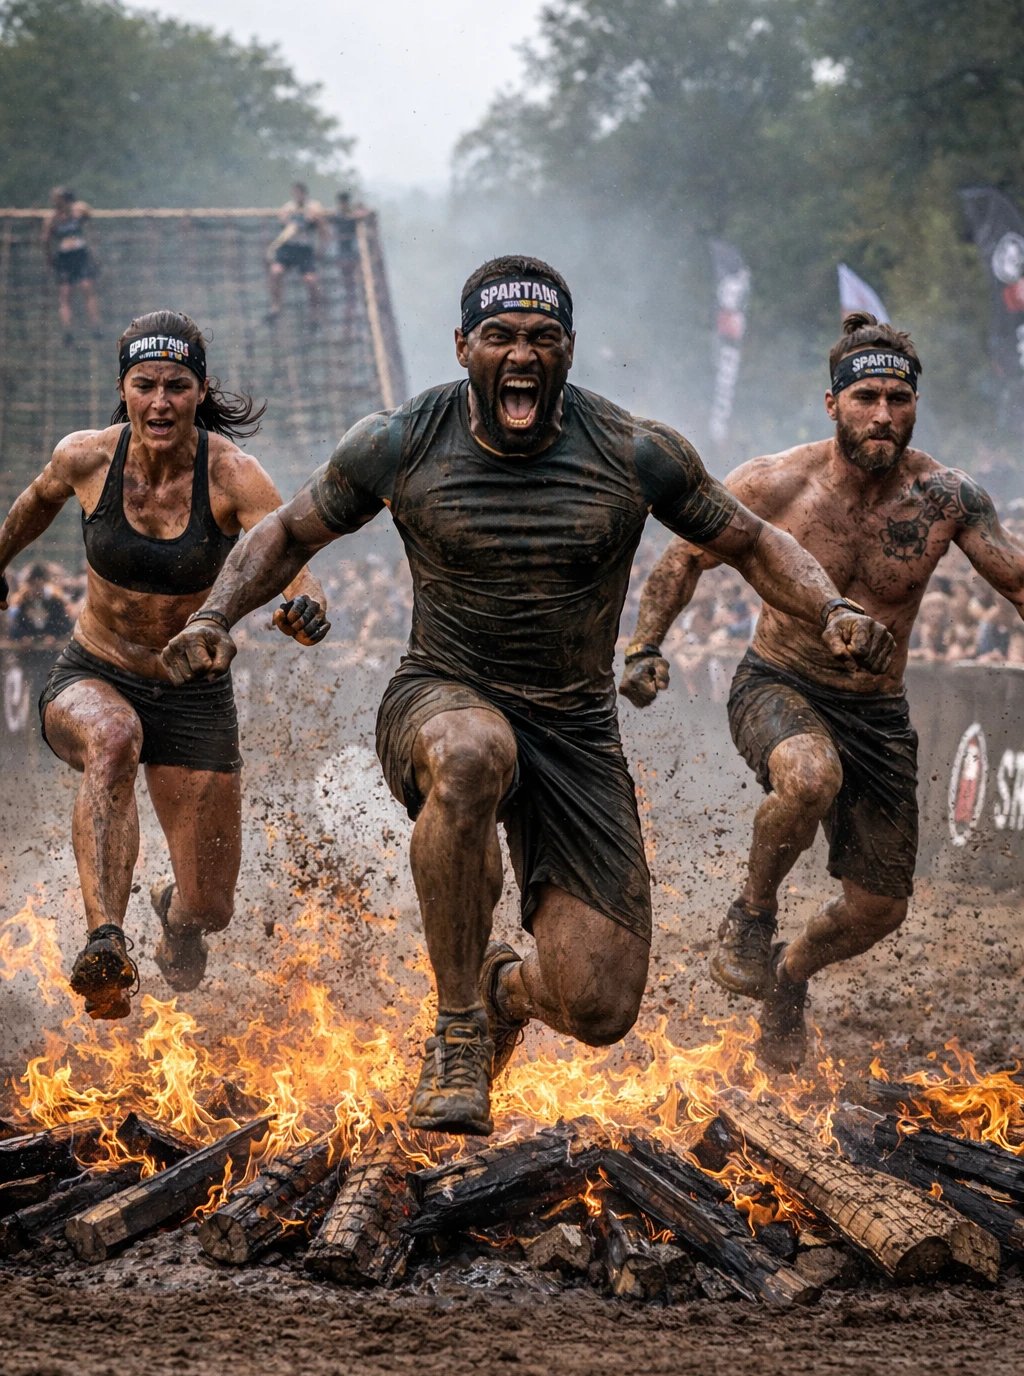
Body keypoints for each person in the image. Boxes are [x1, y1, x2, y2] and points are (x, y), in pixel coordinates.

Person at [161, 257, 891, 1135]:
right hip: (442, 695)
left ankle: (501, 990)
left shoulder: (634, 450)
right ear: (463, 347)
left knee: (600, 1007)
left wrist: (833, 607)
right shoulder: (399, 440)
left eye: (542, 339)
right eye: (500, 337)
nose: (521, 355)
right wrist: (215, 614)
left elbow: (754, 542)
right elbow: (285, 533)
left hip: (575, 730)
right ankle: (458, 1030)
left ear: (568, 353)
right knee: (474, 753)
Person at [621, 311, 1024, 1069]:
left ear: (915, 405)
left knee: (879, 909)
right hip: (780, 682)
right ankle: (751, 915)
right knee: (809, 776)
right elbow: (683, 558)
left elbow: (1018, 580)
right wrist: (645, 645)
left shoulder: (946, 498)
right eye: (866, 397)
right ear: (833, 403)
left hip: (877, 711)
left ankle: (788, 975)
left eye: (898, 399)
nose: (883, 415)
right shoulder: (773, 482)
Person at [0, 310, 328, 1020]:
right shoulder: (86, 457)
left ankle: (174, 917)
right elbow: (35, 501)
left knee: (211, 906)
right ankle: (105, 942)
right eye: (144, 385)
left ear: (200, 391)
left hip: (192, 693)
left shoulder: (233, 475)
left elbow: (290, 549)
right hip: (94, 671)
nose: (159, 402)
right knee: (113, 736)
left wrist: (304, 604)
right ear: (123, 389)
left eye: (176, 386)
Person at [42, 187, 101, 344]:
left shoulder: (77, 212)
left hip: (80, 255)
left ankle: (95, 326)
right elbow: (46, 240)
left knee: (87, 289)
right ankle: (68, 331)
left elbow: (87, 212)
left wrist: (75, 209)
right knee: (65, 294)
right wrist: (49, 258)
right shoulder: (52, 218)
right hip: (65, 258)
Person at [266, 183, 326, 323]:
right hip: (289, 247)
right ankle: (275, 306)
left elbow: (323, 229)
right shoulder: (288, 208)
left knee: (311, 281)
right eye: (295, 193)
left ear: (304, 194)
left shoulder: (314, 207)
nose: (298, 196)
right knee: (275, 272)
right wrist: (289, 219)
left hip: (304, 250)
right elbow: (282, 221)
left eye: (300, 193)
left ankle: (314, 314)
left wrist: (321, 248)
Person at [7, 562, 74, 644]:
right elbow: (17, 624)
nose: (36, 589)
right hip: (29, 644)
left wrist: (53, 635)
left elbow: (63, 623)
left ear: (44, 583)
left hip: (52, 644)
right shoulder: (23, 601)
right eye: (33, 585)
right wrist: (23, 636)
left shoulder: (54, 600)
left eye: (39, 585)